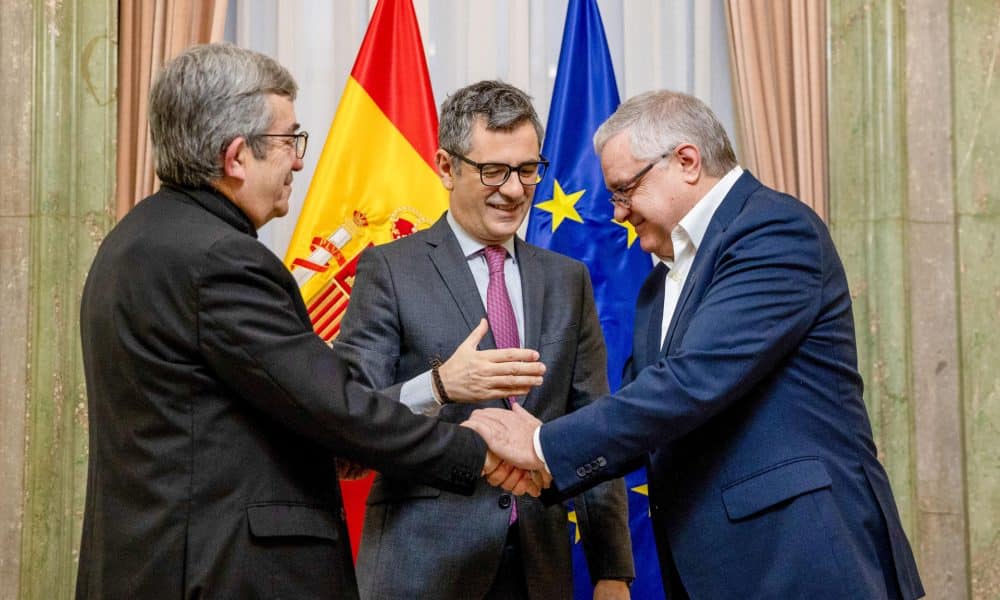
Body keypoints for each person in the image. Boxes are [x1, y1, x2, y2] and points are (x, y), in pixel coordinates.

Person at [75, 44, 531, 600]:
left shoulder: (134, 241)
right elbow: (334, 406)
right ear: (236, 156)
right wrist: (477, 451)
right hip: (223, 573)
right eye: (289, 139)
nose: (297, 159)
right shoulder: (221, 260)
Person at [467, 90, 925, 599]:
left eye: (624, 191)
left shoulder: (772, 230)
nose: (618, 214)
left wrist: (538, 446)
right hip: (715, 571)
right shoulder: (656, 287)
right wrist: (543, 467)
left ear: (686, 161)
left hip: (802, 559)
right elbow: (644, 418)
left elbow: (689, 385)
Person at [334, 80, 635, 600]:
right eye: (493, 170)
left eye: (527, 170)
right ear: (447, 168)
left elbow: (592, 427)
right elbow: (348, 422)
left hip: (540, 568)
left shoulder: (568, 280)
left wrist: (612, 570)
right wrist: (439, 386)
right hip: (422, 567)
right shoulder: (389, 270)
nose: (515, 189)